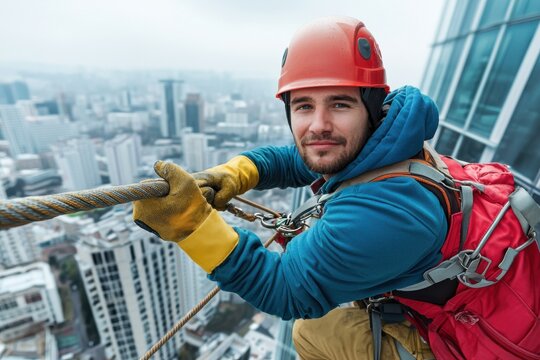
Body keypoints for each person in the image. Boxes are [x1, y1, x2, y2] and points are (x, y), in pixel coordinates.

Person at [133, 16, 443, 359]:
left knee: (312, 332)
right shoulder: (385, 143)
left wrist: (191, 225)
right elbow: (293, 159)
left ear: (369, 110)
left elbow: (285, 290)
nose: (319, 125)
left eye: (340, 103)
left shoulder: (391, 211)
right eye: (304, 106)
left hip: (466, 340)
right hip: (441, 294)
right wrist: (234, 173)